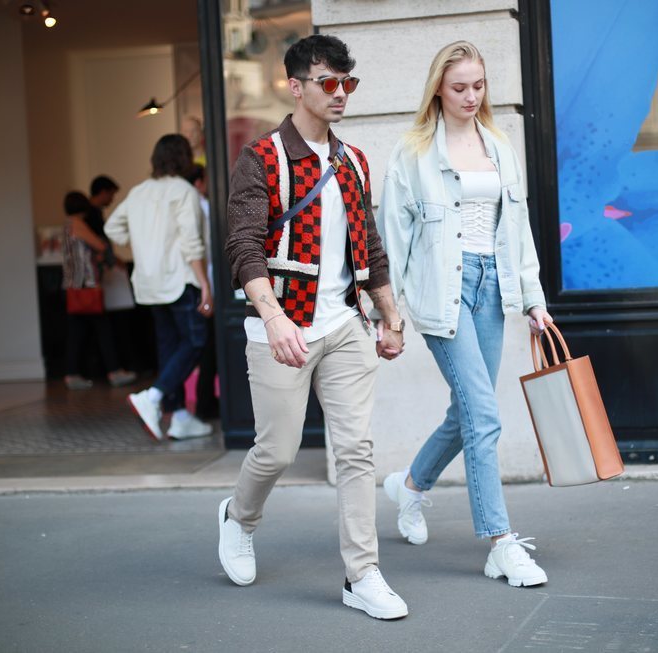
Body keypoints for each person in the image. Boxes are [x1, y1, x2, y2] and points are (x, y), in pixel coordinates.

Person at [219, 34, 408, 620]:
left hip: (345, 326)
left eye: (347, 83)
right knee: (275, 451)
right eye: (329, 83)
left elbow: (369, 246)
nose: (341, 93)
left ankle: (363, 574)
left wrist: (390, 316)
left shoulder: (352, 161)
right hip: (282, 326)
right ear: (295, 86)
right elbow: (243, 247)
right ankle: (238, 517)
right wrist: (273, 318)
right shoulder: (263, 158)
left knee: (355, 450)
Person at [376, 41, 552, 588]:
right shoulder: (412, 153)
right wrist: (391, 313)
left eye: (478, 86)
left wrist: (534, 298)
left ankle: (410, 485)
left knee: (467, 412)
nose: (471, 96)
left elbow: (517, 229)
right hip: (442, 295)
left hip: (492, 290)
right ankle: (499, 543)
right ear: (437, 89)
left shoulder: (499, 146)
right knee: (485, 414)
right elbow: (394, 239)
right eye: (459, 87)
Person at [104, 135, 215, 441]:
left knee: (169, 347)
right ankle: (152, 398)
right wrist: (205, 284)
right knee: (195, 341)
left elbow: (112, 227)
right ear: (183, 158)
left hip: (148, 283)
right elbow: (192, 243)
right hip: (179, 279)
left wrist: (140, 243)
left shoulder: (138, 192)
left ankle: (179, 415)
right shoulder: (183, 191)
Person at [60, 191, 136, 390]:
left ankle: (72, 373)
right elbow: (100, 245)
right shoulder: (78, 225)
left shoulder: (66, 227)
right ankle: (114, 372)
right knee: (103, 329)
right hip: (87, 284)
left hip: (72, 286)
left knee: (76, 331)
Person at [183, 164, 220, 420]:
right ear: (198, 182)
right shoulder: (200, 205)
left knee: (203, 346)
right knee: (207, 347)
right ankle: (206, 402)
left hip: (191, 283)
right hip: (204, 283)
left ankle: (204, 401)